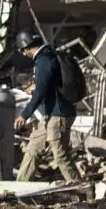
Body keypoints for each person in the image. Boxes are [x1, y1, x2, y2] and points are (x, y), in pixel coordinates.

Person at [13, 30, 79, 182]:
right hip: (51, 114)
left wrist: (24, 115)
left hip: (59, 115)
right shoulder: (49, 56)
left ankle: (81, 187)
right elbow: (48, 86)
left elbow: (40, 93)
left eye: (23, 51)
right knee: (33, 148)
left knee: (60, 155)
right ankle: (20, 186)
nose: (24, 54)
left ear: (27, 47)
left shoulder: (44, 61)